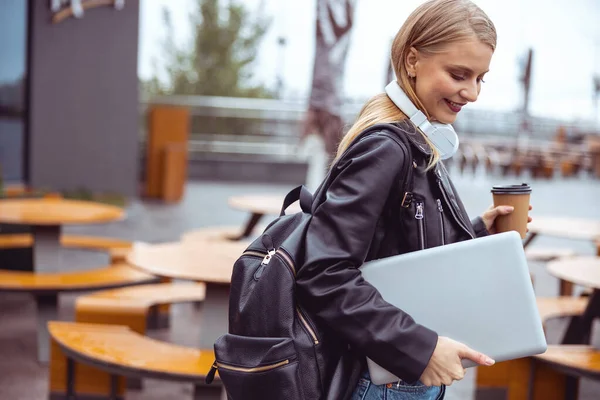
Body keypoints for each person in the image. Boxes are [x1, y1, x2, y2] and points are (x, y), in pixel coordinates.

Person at [294, 0, 533, 399]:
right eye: (459, 74)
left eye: (480, 79)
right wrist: (420, 349)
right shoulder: (386, 149)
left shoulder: (419, 141)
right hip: (383, 381)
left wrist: (476, 231)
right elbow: (324, 272)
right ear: (411, 61)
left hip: (400, 374)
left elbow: (394, 250)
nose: (471, 92)